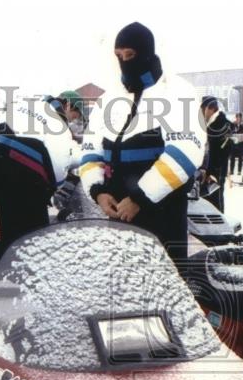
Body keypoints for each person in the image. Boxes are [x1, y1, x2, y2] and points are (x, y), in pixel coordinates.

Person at [78, 21, 204, 262]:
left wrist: (139, 199)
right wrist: (98, 191)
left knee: (163, 290)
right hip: (118, 217)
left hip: (162, 216)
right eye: (119, 55)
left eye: (130, 55)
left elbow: (185, 153)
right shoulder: (110, 98)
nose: (124, 61)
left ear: (146, 54)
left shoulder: (177, 91)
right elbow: (90, 150)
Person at [0, 91, 83, 249]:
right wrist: (55, 189)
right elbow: (58, 172)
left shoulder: (27, 104)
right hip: (29, 190)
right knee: (33, 243)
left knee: (8, 237)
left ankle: (6, 269)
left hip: (1, 180)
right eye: (75, 115)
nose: (74, 120)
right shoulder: (59, 128)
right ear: (67, 105)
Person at [201, 96, 231, 212]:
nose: (202, 113)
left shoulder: (222, 124)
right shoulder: (212, 123)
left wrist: (212, 172)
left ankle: (220, 228)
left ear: (211, 108)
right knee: (209, 202)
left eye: (203, 109)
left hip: (215, 172)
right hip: (209, 171)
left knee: (215, 202)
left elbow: (224, 150)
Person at [229, 112, 243, 177]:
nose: (238, 119)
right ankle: (231, 171)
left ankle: (239, 171)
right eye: (237, 117)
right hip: (233, 145)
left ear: (241, 119)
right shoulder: (232, 125)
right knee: (232, 158)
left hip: (240, 145)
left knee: (240, 158)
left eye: (239, 118)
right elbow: (228, 132)